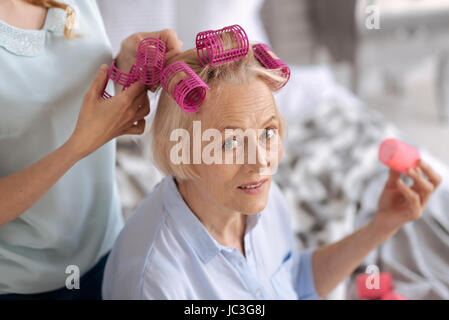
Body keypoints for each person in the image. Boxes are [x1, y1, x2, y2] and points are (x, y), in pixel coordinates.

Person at [102, 33, 443, 299]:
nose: (262, 161)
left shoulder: (258, 196)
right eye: (230, 142)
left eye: (268, 132)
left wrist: (381, 227)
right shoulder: (157, 281)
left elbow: (291, 279)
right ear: (182, 152)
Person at [0, 0, 182, 299]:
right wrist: (79, 146)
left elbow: (70, 81)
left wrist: (125, 63)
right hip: (27, 285)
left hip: (108, 249)